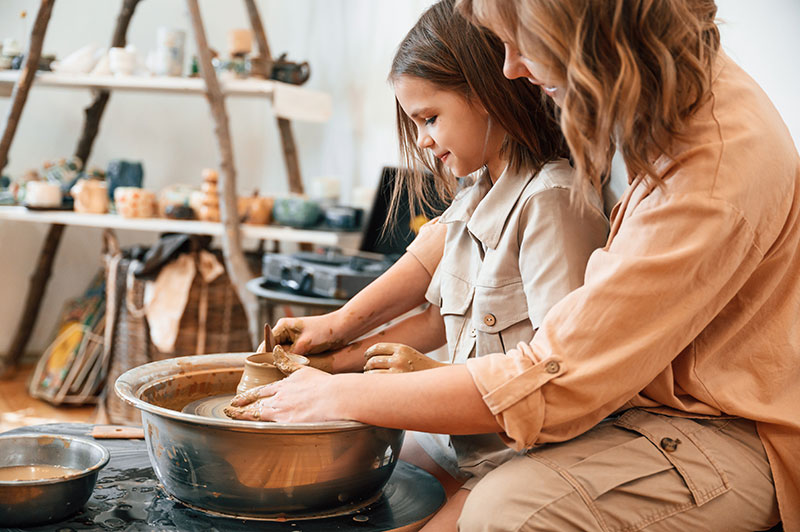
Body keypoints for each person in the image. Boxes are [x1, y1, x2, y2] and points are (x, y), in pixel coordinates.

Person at [233, 0, 800, 529]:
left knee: (501, 510)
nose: (510, 69)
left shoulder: (707, 172)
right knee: (381, 460)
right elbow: (448, 247)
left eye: (517, 40)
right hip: (623, 400)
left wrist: (339, 390)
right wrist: (339, 334)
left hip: (716, 425)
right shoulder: (630, 102)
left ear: (580, 20)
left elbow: (559, 376)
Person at [245, 0, 607, 528]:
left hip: (524, 452)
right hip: (465, 440)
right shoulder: (476, 194)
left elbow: (555, 374)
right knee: (336, 497)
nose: (422, 140)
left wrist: (431, 374)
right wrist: (327, 350)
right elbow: (439, 310)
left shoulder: (551, 201)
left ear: (489, 94)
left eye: (430, 118)